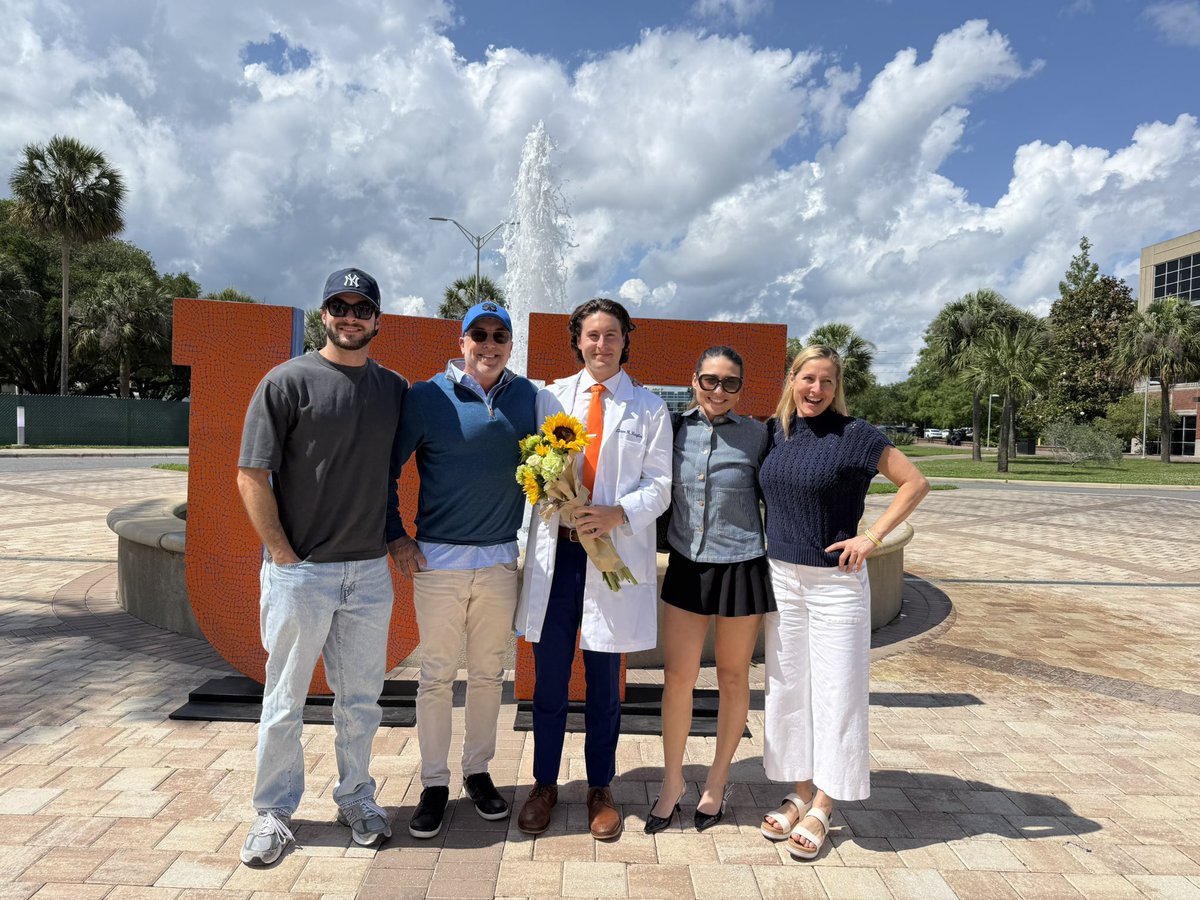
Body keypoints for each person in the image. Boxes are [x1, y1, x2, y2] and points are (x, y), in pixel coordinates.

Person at [236, 267, 409, 866]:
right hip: (301, 574)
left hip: (367, 575)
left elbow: (387, 475)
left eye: (362, 307)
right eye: (339, 305)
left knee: (360, 699)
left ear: (377, 319)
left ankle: (356, 796)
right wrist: (283, 556)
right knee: (284, 698)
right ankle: (274, 812)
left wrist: (395, 537)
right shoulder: (286, 382)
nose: (350, 316)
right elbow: (251, 474)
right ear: (324, 314)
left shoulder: (394, 390)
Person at [757, 344, 929, 860]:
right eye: (807, 378)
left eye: (826, 382)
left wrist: (871, 538)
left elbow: (914, 483)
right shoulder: (774, 432)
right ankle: (800, 792)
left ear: (837, 387)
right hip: (781, 577)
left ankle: (825, 805)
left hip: (836, 583)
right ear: (792, 379)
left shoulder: (856, 435)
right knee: (788, 689)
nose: (815, 390)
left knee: (839, 692)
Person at [514, 298, 672, 840]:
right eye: (590, 336)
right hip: (558, 557)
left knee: (605, 682)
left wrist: (618, 512)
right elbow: (533, 465)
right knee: (550, 679)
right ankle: (544, 784)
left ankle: (601, 786)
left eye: (610, 335)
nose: (600, 345)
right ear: (576, 341)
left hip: (611, 554)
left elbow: (660, 483)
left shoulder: (649, 408)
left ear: (626, 340)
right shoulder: (549, 397)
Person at [387, 301, 537, 839]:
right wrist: (395, 536)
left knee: (489, 675)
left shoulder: (528, 397)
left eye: (500, 335)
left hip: (498, 561)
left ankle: (477, 771)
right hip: (439, 563)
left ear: (510, 344)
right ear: (462, 340)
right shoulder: (427, 397)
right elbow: (388, 468)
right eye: (480, 334)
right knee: (435, 677)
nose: (489, 344)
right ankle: (433, 782)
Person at [646, 346, 774, 835]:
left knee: (733, 677)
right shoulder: (672, 431)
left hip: (741, 566)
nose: (719, 390)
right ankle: (672, 782)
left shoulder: (758, 436)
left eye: (730, 382)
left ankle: (717, 782)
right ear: (694, 380)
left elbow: (780, 496)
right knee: (678, 679)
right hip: (686, 566)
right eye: (710, 380)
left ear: (742, 387)